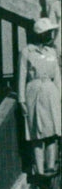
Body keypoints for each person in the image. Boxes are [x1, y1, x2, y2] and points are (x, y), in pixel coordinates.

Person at [18, 17, 61, 176]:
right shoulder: (27, 52)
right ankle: (39, 169)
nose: (51, 35)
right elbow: (22, 76)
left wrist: (60, 96)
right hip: (34, 93)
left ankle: (50, 166)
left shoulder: (52, 52)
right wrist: (21, 99)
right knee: (37, 132)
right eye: (48, 32)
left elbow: (57, 75)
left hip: (51, 92)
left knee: (53, 131)